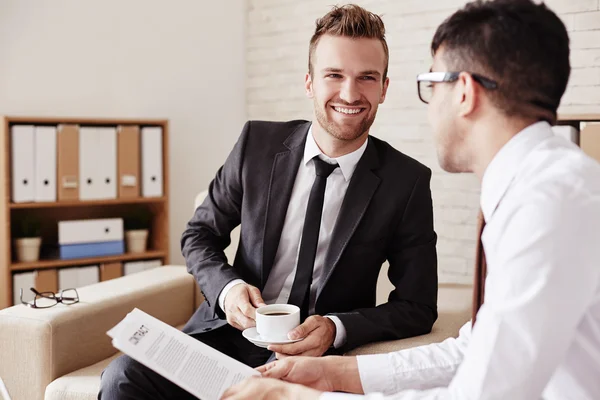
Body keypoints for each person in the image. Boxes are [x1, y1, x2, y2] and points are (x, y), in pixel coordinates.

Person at [221, 0, 600, 399]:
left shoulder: (547, 204)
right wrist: (337, 375)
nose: (430, 106)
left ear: (464, 93)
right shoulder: (546, 186)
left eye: (432, 85)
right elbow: (475, 351)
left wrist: (297, 398)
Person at [99, 4, 439, 399]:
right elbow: (199, 234)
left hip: (315, 360)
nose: (350, 93)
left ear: (383, 88)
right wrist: (227, 290)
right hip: (223, 339)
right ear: (309, 82)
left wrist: (335, 326)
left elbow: (417, 305)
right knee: (124, 375)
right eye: (334, 75)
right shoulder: (255, 145)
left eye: (367, 78)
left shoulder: (407, 181)